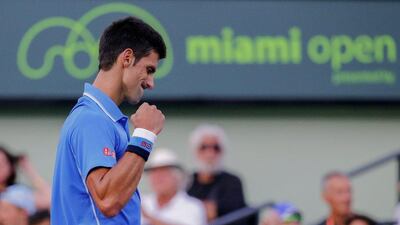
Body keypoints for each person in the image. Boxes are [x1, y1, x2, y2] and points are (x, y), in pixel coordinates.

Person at [51, 16, 166, 225]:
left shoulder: (100, 118)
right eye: (149, 70)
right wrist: (144, 135)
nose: (151, 83)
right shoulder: (92, 120)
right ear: (127, 58)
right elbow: (108, 200)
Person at [187, 124, 255, 225]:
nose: (210, 153)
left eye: (216, 148)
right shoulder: (186, 181)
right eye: (204, 147)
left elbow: (237, 216)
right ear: (195, 151)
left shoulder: (232, 182)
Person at [141, 148, 207, 225]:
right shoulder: (143, 202)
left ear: (178, 177)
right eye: (154, 173)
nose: (157, 178)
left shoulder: (194, 207)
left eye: (163, 173)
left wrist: (149, 218)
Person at [0, 146, 50, 211]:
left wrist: (29, 170)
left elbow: (49, 200)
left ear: (11, 168)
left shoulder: (16, 194)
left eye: (2, 164)